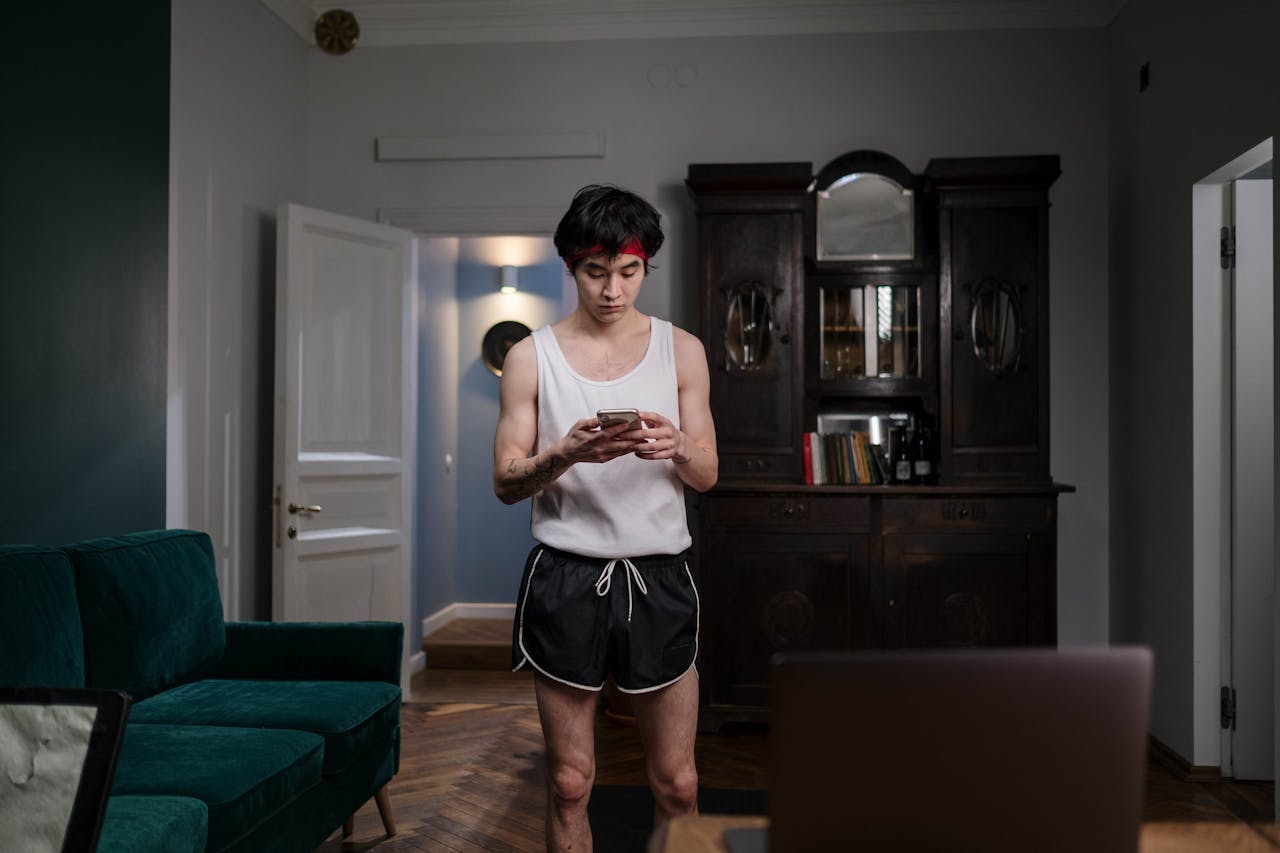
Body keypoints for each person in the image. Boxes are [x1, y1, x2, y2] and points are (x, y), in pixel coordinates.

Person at [492, 184, 718, 852]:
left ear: (646, 264)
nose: (612, 289)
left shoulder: (684, 351)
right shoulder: (530, 356)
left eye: (628, 271)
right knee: (569, 779)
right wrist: (562, 454)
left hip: (659, 576)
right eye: (596, 271)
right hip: (566, 576)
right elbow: (506, 482)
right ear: (571, 266)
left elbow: (707, 473)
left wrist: (677, 445)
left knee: (678, 781)